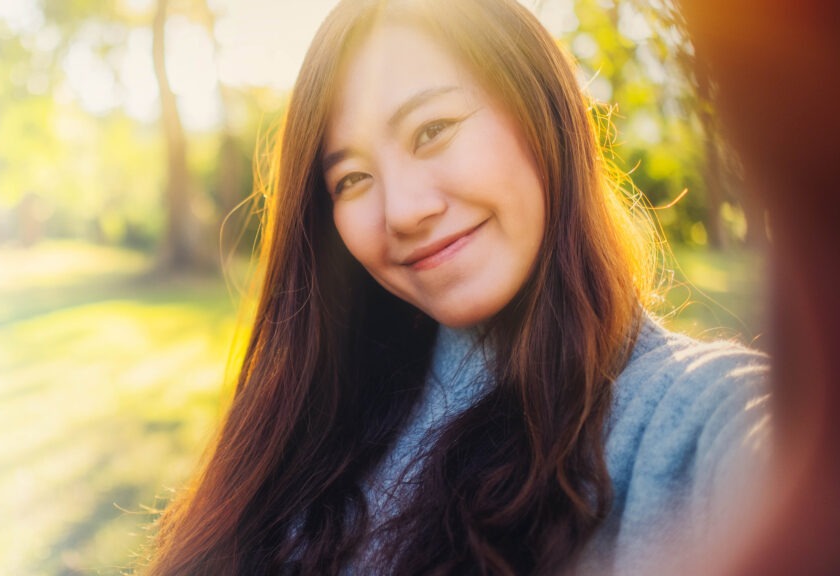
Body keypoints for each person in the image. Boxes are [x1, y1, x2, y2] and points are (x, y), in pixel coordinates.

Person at [142, 0, 771, 574]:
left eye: (433, 129)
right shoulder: (320, 418)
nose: (403, 212)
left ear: (538, 105)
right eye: (353, 179)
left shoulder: (691, 420)